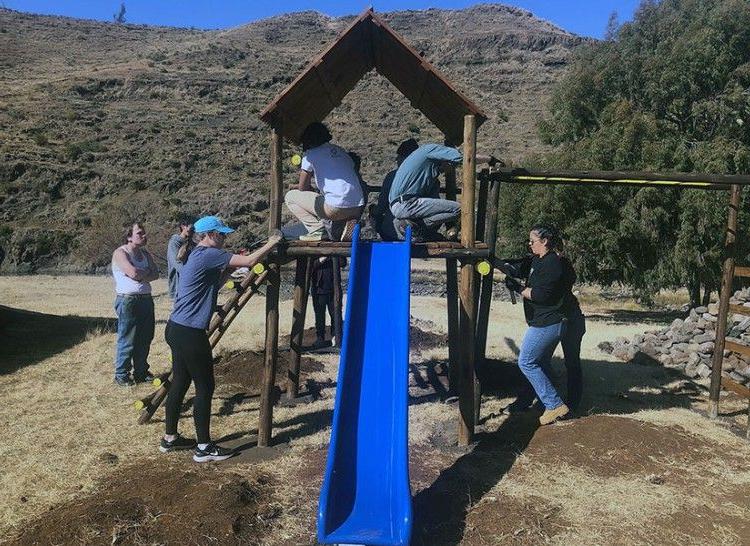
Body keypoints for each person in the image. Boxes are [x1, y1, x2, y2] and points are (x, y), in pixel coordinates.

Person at [161, 215, 282, 462]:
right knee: (205, 387)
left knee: (180, 382)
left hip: (176, 328)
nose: (225, 238)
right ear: (209, 235)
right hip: (191, 333)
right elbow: (249, 260)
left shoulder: (196, 254)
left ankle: (170, 438)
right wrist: (273, 242)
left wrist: (230, 272)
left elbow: (212, 284)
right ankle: (204, 448)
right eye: (221, 234)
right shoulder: (208, 254)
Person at [500, 224, 573, 425]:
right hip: (546, 322)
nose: (529, 244)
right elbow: (515, 266)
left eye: (532, 241)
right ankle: (549, 399)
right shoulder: (537, 260)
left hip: (548, 323)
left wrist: (517, 288)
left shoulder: (553, 265)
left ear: (545, 241)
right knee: (541, 363)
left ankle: (554, 404)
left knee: (527, 362)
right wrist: (494, 262)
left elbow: (539, 296)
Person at [284, 122, 365, 242]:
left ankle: (317, 229)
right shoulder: (341, 151)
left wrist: (299, 187)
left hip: (335, 207)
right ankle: (349, 224)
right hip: (358, 206)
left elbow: (302, 188)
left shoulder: (309, 155)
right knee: (336, 221)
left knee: (290, 197)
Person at [111, 222, 159, 386]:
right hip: (128, 300)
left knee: (145, 337)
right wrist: (143, 274)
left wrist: (141, 274)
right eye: (139, 233)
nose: (144, 235)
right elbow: (132, 272)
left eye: (144, 232)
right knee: (127, 338)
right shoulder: (120, 253)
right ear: (129, 236)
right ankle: (121, 374)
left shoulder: (145, 254)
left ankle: (141, 371)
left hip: (146, 299)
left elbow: (156, 274)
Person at [388, 142, 462, 241]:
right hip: (407, 204)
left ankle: (413, 226)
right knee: (461, 209)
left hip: (399, 207)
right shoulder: (428, 153)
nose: (450, 170)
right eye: (452, 166)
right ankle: (418, 226)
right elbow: (464, 157)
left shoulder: (421, 174)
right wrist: (489, 159)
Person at [371, 138, 419, 241]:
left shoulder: (393, 176)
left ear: (404, 158)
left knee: (377, 214)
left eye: (399, 157)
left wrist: (373, 211)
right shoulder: (429, 177)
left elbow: (381, 206)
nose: (397, 160)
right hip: (421, 231)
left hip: (395, 231)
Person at [166, 216, 195, 300]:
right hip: (178, 285)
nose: (193, 229)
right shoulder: (174, 242)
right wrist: (189, 274)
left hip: (190, 285)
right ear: (183, 226)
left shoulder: (193, 244)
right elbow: (176, 262)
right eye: (191, 227)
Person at [310, 256, 335, 349]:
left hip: (333, 289)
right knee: (319, 315)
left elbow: (342, 262)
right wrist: (320, 260)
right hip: (318, 290)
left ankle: (335, 336)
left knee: (335, 314)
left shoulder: (334, 249)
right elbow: (309, 267)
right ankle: (320, 338)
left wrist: (332, 255)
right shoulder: (314, 252)